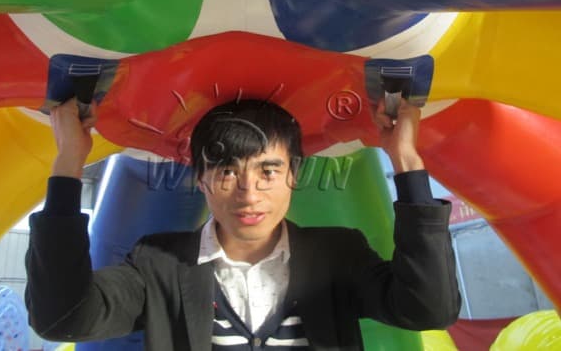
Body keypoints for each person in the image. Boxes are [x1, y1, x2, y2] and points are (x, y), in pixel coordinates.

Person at [25, 96, 461, 351]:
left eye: (268, 171)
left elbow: (428, 308)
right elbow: (63, 318)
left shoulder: (338, 255)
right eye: (227, 172)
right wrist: (68, 162)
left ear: (293, 175)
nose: (249, 193)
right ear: (201, 179)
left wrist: (406, 159)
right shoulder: (159, 262)